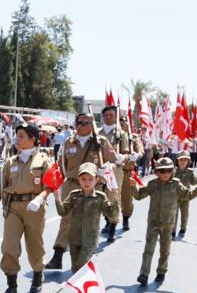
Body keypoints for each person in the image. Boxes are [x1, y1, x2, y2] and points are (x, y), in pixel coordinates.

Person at [0, 123, 54, 293]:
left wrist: (39, 198)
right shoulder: (10, 162)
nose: (16, 139)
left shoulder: (43, 160)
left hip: (34, 207)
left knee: (35, 246)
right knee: (9, 247)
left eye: (21, 136)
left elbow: (50, 185)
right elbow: (1, 186)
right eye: (16, 135)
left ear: (32, 139)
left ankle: (37, 273)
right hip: (13, 207)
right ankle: (11, 286)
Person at [46, 113, 116, 269]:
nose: (80, 125)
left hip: (92, 188)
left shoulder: (100, 142)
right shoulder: (68, 142)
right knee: (66, 220)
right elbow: (61, 166)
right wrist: (53, 187)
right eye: (78, 122)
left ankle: (86, 256)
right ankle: (58, 254)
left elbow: (113, 161)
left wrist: (107, 168)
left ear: (92, 125)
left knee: (88, 223)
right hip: (71, 185)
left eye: (85, 123)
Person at [131, 157, 197, 285]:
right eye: (162, 171)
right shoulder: (152, 184)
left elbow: (189, 195)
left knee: (165, 249)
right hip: (153, 222)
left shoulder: (176, 185)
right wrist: (133, 187)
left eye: (168, 170)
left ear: (172, 171)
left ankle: (161, 271)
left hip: (168, 223)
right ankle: (144, 274)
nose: (166, 173)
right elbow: (138, 196)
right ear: (157, 172)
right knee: (148, 249)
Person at [55, 163, 119, 274]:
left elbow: (112, 214)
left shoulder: (100, 197)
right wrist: (57, 199)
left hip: (90, 241)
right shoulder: (74, 195)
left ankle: (89, 283)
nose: (87, 182)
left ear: (96, 180)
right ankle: (84, 285)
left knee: (81, 267)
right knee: (75, 269)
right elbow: (62, 212)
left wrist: (114, 199)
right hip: (74, 239)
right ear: (79, 179)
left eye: (90, 179)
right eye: (83, 179)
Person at [101, 105, 142, 236]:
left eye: (125, 123)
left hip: (125, 171)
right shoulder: (101, 133)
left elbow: (136, 151)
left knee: (125, 199)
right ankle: (108, 221)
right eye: (106, 115)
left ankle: (125, 218)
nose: (123, 125)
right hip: (106, 170)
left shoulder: (129, 137)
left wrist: (134, 155)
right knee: (105, 197)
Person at [173, 151, 197, 238]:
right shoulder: (173, 172)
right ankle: (172, 231)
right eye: (181, 160)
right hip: (175, 197)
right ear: (177, 161)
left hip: (186, 197)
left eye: (185, 160)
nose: (183, 162)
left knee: (185, 214)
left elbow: (193, 182)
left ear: (188, 161)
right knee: (173, 214)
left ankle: (183, 229)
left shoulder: (189, 172)